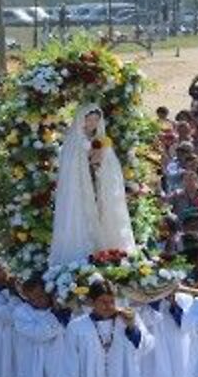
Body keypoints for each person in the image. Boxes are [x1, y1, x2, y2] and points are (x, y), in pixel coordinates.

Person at [49, 104, 136, 264]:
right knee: (83, 215)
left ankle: (109, 252)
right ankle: (85, 254)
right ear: (82, 120)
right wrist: (87, 158)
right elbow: (70, 168)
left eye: (96, 119)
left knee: (104, 214)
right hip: (80, 187)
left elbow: (112, 165)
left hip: (99, 183)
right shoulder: (73, 142)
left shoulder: (102, 139)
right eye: (90, 119)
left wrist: (100, 162)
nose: (93, 123)